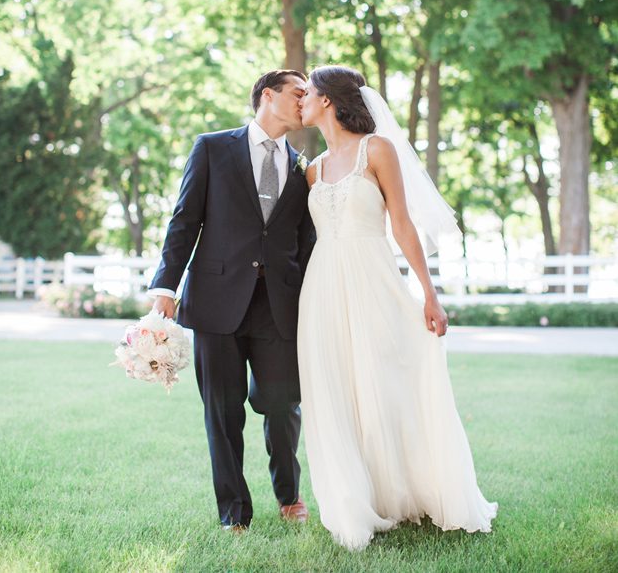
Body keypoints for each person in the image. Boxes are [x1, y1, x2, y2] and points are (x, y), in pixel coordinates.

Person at [297, 65, 497, 550]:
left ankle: (409, 489)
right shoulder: (313, 169)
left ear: (327, 100)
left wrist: (429, 293)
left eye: (307, 94)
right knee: (335, 389)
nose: (300, 101)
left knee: (387, 381)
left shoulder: (377, 150)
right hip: (322, 286)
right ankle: (353, 499)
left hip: (374, 279)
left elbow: (403, 225)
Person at [149, 70, 315, 531]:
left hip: (280, 306)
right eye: (298, 93)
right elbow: (185, 220)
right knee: (222, 413)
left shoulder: (306, 166)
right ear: (268, 95)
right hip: (216, 301)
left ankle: (289, 493)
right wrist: (166, 286)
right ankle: (234, 512)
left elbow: (307, 241)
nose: (306, 101)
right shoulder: (212, 148)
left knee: (282, 404)